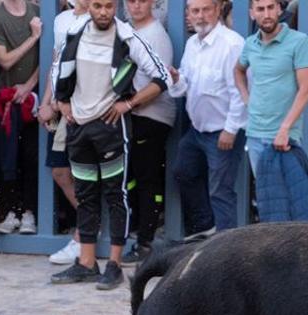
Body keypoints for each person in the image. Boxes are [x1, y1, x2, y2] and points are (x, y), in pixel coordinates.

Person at [48, 0, 170, 289]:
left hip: (112, 127)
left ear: (116, 7)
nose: (103, 12)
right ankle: (87, 263)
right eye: (98, 5)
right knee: (86, 195)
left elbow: (161, 76)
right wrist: (62, 101)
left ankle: (113, 265)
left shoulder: (127, 36)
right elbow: (57, 67)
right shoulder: (74, 32)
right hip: (79, 126)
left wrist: (128, 104)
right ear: (88, 6)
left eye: (108, 6)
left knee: (116, 195)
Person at [234, 0, 308, 222]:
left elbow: (306, 90)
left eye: (271, 7)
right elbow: (238, 70)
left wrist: (284, 128)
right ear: (252, 13)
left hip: (284, 137)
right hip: (255, 134)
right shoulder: (250, 44)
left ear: (279, 10)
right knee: (269, 202)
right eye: (261, 9)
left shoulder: (299, 41)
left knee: (292, 201)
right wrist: (247, 99)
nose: (267, 14)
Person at [168, 0, 246, 238]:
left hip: (223, 131)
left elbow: (240, 92)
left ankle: (227, 248)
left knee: (220, 192)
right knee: (183, 171)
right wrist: (175, 78)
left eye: (205, 10)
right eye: (195, 11)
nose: (200, 16)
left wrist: (231, 130)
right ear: (188, 14)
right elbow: (185, 86)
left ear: (218, 10)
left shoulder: (232, 44)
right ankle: (205, 228)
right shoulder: (192, 43)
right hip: (197, 130)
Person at [121, 0, 175, 262]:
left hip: (151, 115)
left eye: (142, 0)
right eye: (131, 1)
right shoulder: (131, 32)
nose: (137, 5)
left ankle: (146, 242)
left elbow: (160, 81)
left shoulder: (156, 34)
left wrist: (130, 103)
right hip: (134, 116)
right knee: (133, 177)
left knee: (147, 179)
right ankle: (137, 232)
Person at [0, 0, 42, 236]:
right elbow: (5, 61)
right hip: (5, 100)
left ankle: (29, 213)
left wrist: (28, 86)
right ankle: (11, 212)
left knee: (31, 157)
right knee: (6, 159)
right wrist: (34, 37)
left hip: (33, 99)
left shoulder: (37, 11)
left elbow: (48, 58)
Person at [39, 0, 89, 265]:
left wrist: (60, 103)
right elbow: (55, 64)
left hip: (80, 108)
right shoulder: (61, 20)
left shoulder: (98, 21)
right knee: (60, 170)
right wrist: (47, 101)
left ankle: (83, 236)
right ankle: (88, 225)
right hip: (59, 107)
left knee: (82, 172)